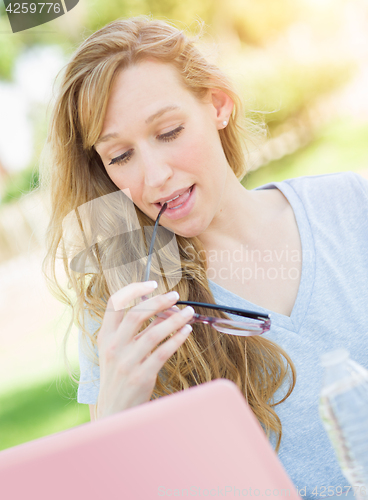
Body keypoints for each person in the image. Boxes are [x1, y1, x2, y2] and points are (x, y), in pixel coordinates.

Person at [41, 15, 368, 498]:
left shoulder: (351, 207)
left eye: (169, 131)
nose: (154, 177)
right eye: (120, 156)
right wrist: (114, 411)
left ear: (217, 104)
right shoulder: (130, 312)